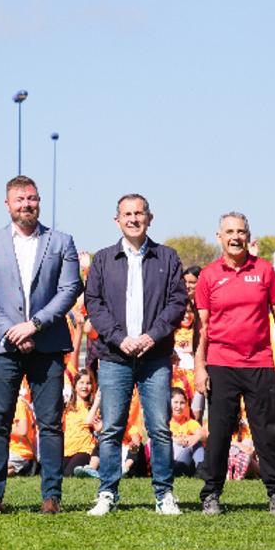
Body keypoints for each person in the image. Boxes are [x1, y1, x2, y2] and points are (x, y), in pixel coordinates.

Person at [0, 174, 82, 514]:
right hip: (2, 346)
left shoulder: (61, 241)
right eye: (19, 199)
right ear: (7, 204)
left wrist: (34, 325)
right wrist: (12, 330)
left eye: (31, 198)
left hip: (47, 343)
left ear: (39, 201)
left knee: (49, 422)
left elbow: (69, 289)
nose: (26, 205)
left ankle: (51, 496)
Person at [83, 193, 188, 515]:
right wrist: (119, 338)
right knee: (112, 427)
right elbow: (94, 304)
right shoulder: (102, 259)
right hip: (115, 355)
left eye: (139, 213)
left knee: (158, 427)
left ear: (149, 218)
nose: (133, 219)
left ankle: (164, 494)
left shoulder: (167, 257)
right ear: (117, 220)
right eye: (127, 214)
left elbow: (176, 302)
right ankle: (107, 493)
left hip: (154, 356)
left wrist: (150, 336)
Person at [193, 211, 275, 515]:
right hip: (221, 364)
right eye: (230, 232)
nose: (235, 237)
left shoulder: (264, 271)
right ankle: (211, 493)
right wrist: (200, 367)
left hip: (260, 363)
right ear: (219, 237)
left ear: (248, 237)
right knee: (220, 432)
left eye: (241, 232)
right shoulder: (209, 275)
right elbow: (203, 327)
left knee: (266, 433)